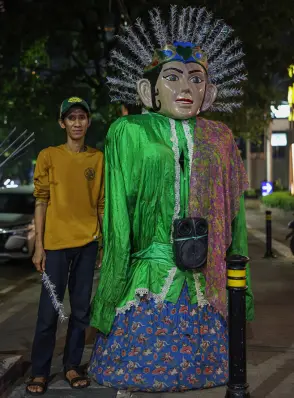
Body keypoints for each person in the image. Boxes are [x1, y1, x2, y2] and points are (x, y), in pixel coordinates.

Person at [89, 5, 254, 395]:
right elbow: (117, 218)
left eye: (197, 79)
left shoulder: (220, 136)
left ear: (209, 92)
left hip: (207, 272)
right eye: (173, 77)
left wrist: (241, 293)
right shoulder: (129, 132)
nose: (186, 89)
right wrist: (110, 292)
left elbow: (236, 216)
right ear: (148, 91)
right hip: (151, 268)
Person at [26, 97, 104, 395]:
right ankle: (40, 371)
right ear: (62, 123)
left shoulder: (97, 159)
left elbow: (101, 203)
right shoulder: (49, 156)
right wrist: (39, 246)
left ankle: (72, 366)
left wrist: (103, 245)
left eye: (81, 117)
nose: (76, 123)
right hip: (55, 246)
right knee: (49, 312)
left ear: (88, 122)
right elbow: (41, 200)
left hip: (87, 244)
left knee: (81, 312)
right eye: (71, 118)